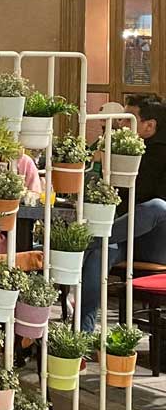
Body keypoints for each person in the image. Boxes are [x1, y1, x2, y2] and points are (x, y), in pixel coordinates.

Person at [81, 98, 166, 330]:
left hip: (156, 240)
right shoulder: (117, 149)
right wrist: (100, 165)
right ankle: (84, 334)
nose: (121, 124)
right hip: (122, 232)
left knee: (159, 207)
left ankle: (84, 242)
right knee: (102, 252)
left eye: (129, 120)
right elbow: (94, 189)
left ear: (149, 126)